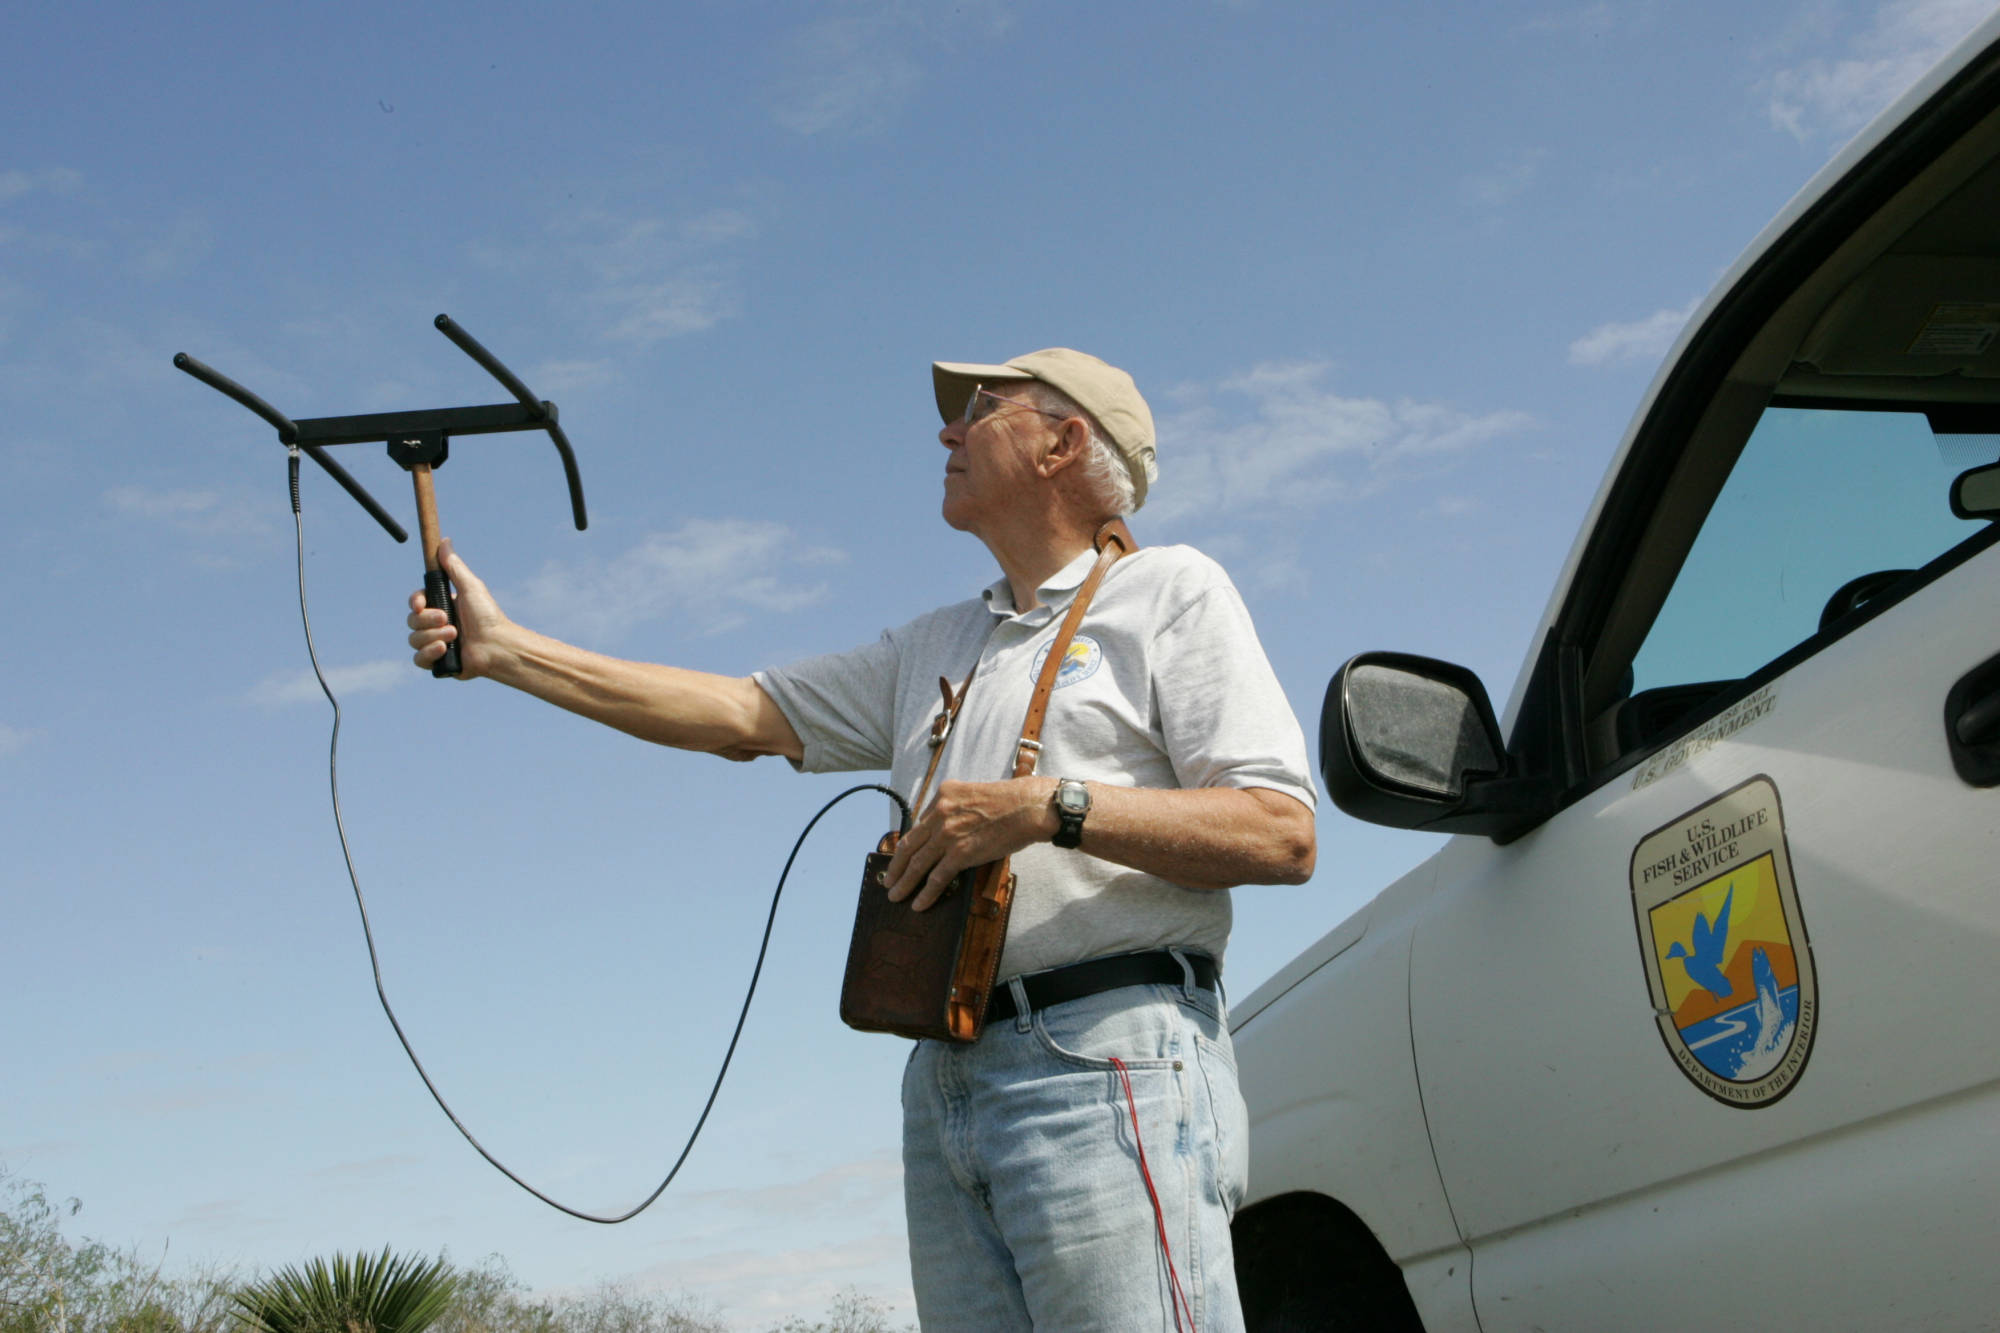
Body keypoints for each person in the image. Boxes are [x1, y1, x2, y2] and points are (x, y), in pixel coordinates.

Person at [406, 348, 1318, 1331]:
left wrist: (1046, 806)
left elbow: (1280, 831)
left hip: (1107, 1056)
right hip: (943, 1077)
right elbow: (739, 714)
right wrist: (506, 652)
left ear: (1063, 443)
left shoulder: (1171, 590)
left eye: (982, 407)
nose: (947, 429)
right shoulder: (935, 644)